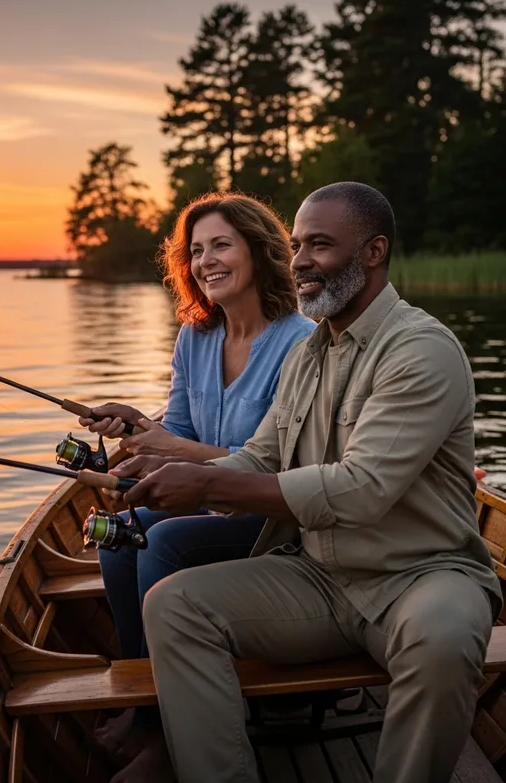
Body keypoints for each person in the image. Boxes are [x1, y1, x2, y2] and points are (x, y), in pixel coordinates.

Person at [110, 182, 502, 783]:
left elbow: (360, 488)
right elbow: (263, 456)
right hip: (320, 574)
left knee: (445, 639)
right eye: (296, 245)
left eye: (320, 244)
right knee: (174, 604)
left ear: (372, 252)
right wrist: (176, 476)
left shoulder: (421, 350)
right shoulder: (308, 354)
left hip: (422, 574)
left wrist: (206, 488)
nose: (300, 261)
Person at [78, 193, 315, 761]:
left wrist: (171, 447)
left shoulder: (302, 342)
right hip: (206, 502)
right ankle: (145, 700)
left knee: (160, 538)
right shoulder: (195, 337)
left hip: (271, 517)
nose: (205, 260)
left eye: (221, 245)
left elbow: (286, 465)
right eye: (196, 250)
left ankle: (165, 734)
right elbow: (177, 429)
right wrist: (136, 425)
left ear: (259, 252)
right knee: (119, 536)